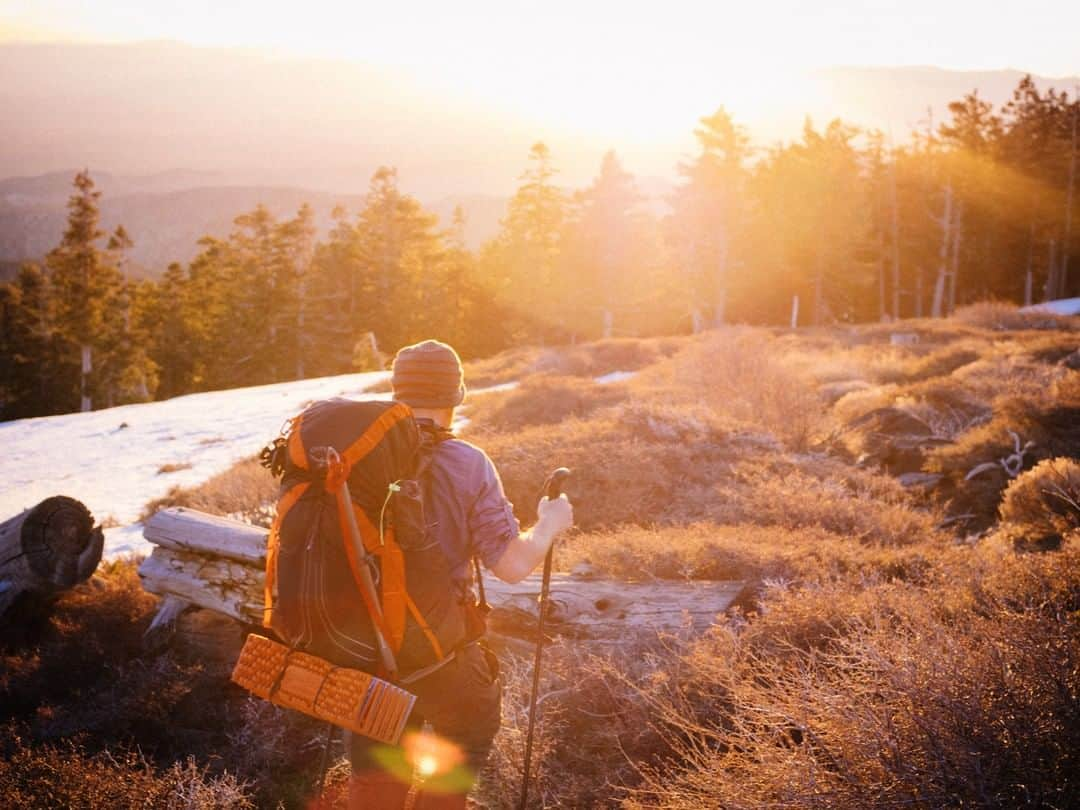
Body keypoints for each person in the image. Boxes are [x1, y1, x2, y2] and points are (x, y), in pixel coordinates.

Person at [349, 339, 574, 809]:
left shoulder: (357, 457)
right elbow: (511, 566)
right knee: (468, 735)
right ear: (456, 397)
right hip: (442, 654)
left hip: (366, 650)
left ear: (396, 393)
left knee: (376, 786)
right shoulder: (468, 463)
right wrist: (549, 524)